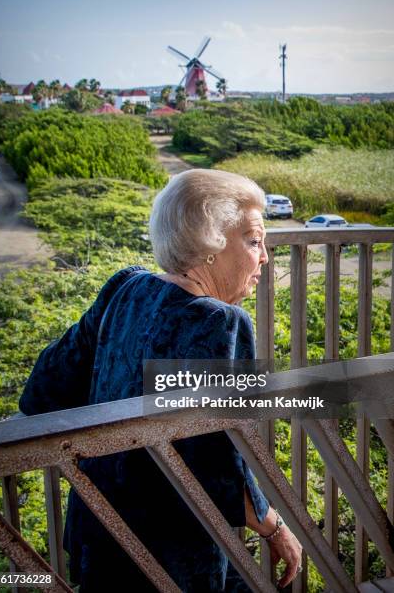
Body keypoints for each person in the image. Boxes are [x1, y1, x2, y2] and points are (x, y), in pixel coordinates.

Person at [19, 169, 302, 591]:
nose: (264, 257)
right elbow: (219, 463)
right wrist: (275, 526)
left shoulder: (124, 288)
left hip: (99, 535)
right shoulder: (221, 323)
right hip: (171, 559)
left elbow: (43, 392)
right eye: (254, 240)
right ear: (212, 245)